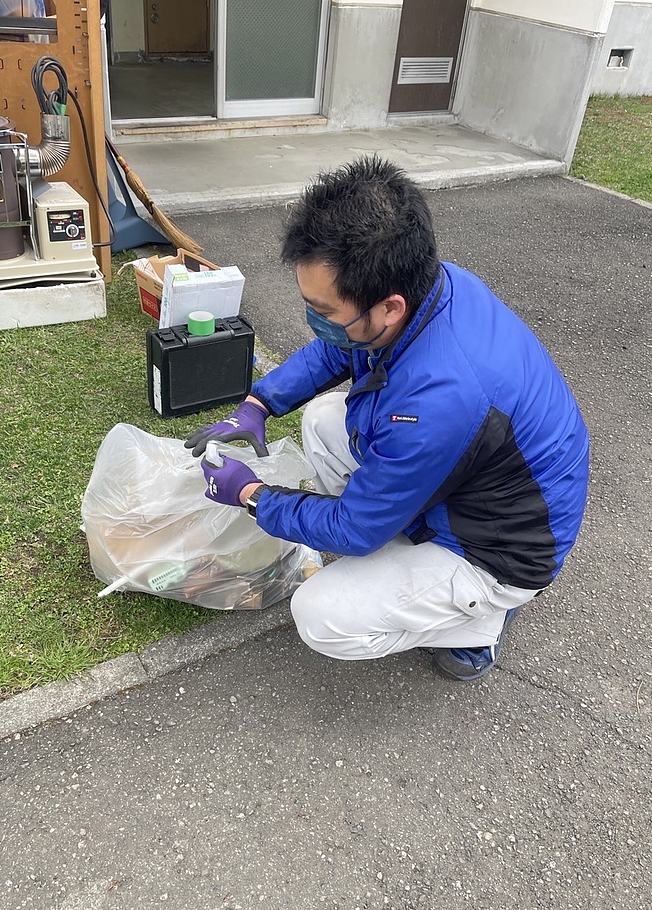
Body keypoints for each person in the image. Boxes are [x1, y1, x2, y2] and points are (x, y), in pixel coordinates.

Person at [185, 156, 590, 682]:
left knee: (320, 616)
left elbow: (353, 527)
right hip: (474, 483)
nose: (314, 319)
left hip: (499, 549)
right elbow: (340, 349)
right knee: (324, 418)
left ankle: (481, 621)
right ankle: (401, 556)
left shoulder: (438, 400)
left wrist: (251, 495)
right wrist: (259, 405)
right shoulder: (429, 287)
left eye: (324, 311)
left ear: (389, 307)